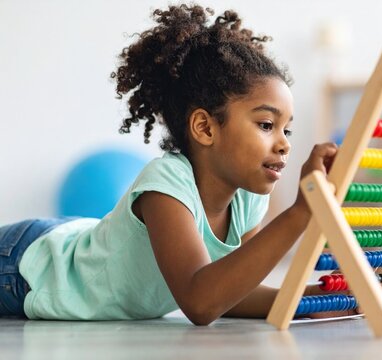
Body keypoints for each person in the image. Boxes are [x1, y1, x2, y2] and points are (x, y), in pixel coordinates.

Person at [0, 4, 338, 324]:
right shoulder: (165, 186)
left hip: (75, 239)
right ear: (205, 128)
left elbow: (233, 291)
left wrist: (310, 301)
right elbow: (200, 301)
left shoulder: (248, 196)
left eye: (287, 128)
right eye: (266, 125)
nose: (284, 143)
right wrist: (299, 213)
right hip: (25, 267)